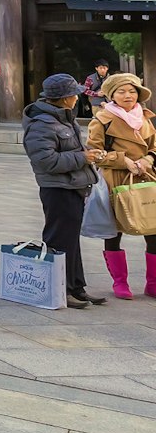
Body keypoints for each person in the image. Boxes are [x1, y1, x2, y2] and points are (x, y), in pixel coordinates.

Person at [22, 73, 105, 308]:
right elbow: (45, 161)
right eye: (74, 94)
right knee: (59, 240)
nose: (77, 98)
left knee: (70, 240)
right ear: (64, 98)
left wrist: (87, 153)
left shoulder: (63, 117)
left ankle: (76, 287)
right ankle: (60, 289)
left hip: (73, 185)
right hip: (57, 188)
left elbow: (67, 148)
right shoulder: (42, 123)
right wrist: (82, 157)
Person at [88, 71, 156, 301]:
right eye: (121, 91)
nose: (128, 96)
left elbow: (154, 147)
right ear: (111, 95)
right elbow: (94, 153)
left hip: (146, 178)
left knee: (153, 229)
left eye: (132, 91)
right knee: (114, 231)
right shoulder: (102, 120)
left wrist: (148, 159)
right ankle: (120, 283)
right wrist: (122, 160)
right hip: (115, 180)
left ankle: (152, 283)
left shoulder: (145, 118)